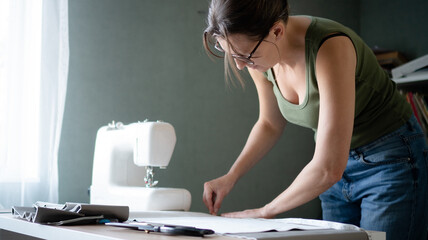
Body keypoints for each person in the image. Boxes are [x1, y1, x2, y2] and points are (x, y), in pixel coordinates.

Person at [201, 1, 428, 240]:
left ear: (277, 31)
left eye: (244, 55)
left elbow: (329, 167)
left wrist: (264, 212)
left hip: (390, 160)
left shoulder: (330, 47)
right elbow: (270, 123)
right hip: (332, 168)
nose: (239, 64)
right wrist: (231, 176)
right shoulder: (256, 52)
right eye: (230, 53)